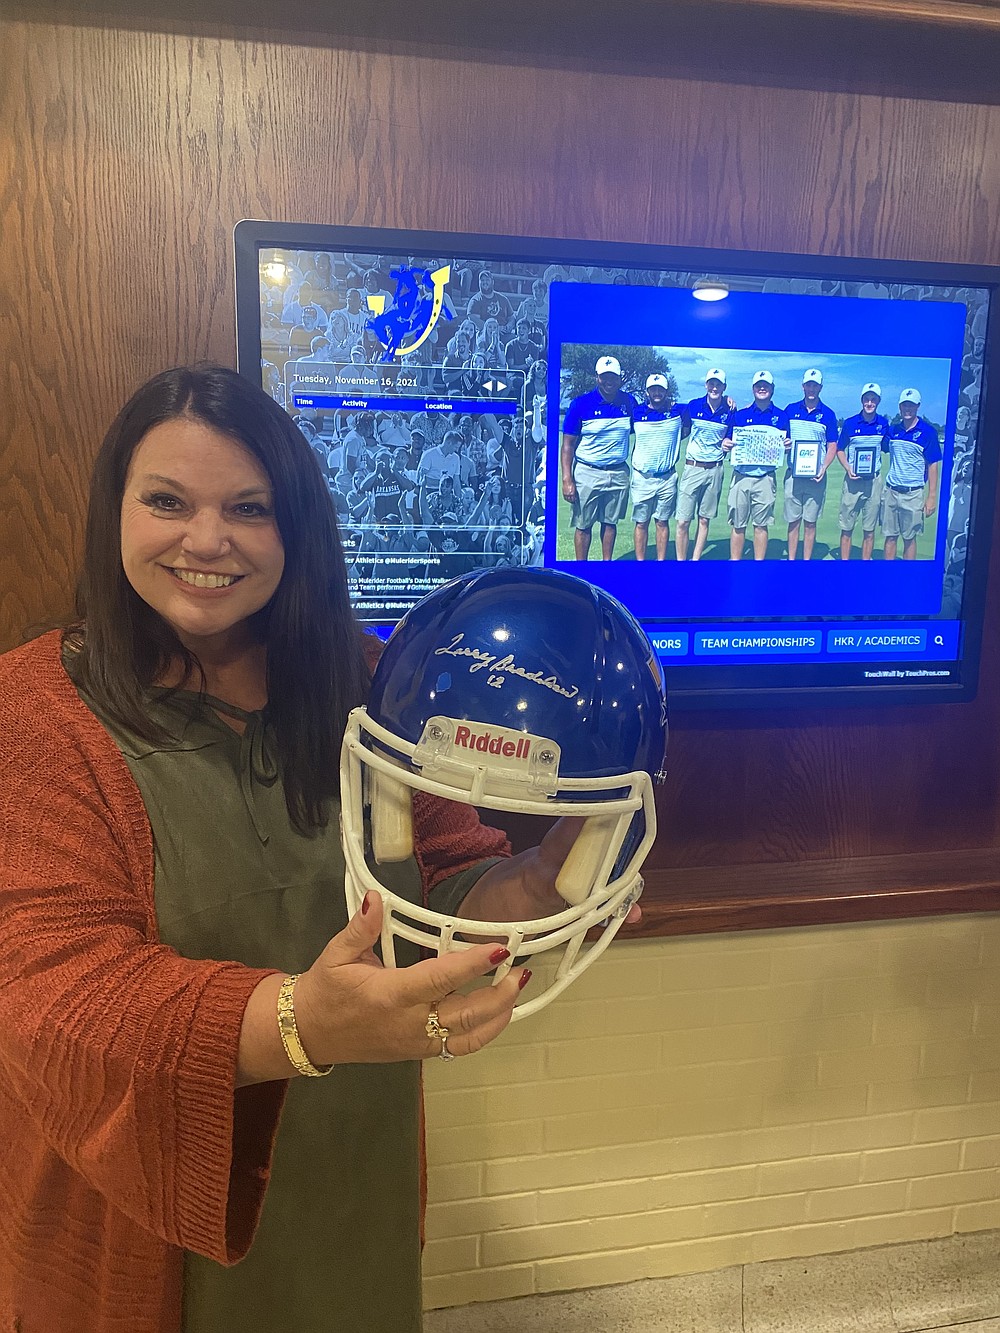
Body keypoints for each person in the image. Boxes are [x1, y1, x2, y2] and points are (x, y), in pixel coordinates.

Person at [0, 365, 612, 1332]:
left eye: (249, 507)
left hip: (350, 1200)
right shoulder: (36, 714)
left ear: (297, 529)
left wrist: (538, 882)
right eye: (167, 501)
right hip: (139, 1232)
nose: (208, 539)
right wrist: (298, 1023)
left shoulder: (372, 680)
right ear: (112, 510)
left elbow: (447, 880)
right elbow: (55, 996)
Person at [561, 355, 635, 561]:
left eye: (613, 376)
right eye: (604, 376)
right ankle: (582, 571)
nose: (608, 381)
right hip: (587, 472)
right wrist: (567, 479)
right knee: (583, 525)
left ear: (620, 378)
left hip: (618, 472)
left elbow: (657, 410)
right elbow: (567, 446)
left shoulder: (628, 402)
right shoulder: (580, 404)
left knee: (610, 523)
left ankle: (606, 566)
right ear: (597, 377)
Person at [723, 371, 790, 561]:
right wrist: (725, 444)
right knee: (738, 524)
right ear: (753, 389)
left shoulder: (781, 416)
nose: (762, 388)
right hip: (741, 477)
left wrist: (786, 446)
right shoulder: (740, 415)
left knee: (761, 525)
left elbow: (785, 446)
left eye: (766, 386)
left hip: (765, 479)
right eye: (759, 385)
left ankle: (758, 565)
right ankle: (735, 564)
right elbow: (727, 439)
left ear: (772, 389)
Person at [675, 369, 734, 561]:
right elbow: (678, 422)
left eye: (718, 384)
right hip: (692, 468)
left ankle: (695, 561)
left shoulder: (730, 411)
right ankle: (681, 564)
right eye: (711, 384)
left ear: (724, 387)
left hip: (715, 470)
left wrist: (727, 441)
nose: (714, 388)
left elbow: (731, 437)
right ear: (706, 385)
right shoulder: (693, 406)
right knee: (683, 521)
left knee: (704, 519)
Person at [783, 369, 839, 560]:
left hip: (816, 476)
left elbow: (832, 444)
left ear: (820, 387)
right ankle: (791, 561)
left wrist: (824, 467)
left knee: (810, 522)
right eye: (809, 385)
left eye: (815, 385)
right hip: (793, 475)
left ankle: (806, 562)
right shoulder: (790, 410)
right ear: (803, 386)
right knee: (793, 521)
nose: (812, 388)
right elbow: (779, 435)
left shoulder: (828, 414)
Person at [883, 387, 942, 560]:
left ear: (918, 406)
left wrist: (931, 497)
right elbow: (879, 446)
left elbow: (933, 465)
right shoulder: (892, 431)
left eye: (911, 405)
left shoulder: (928, 432)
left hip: (913, 494)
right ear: (900, 407)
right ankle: (889, 575)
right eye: (904, 405)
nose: (907, 409)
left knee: (909, 538)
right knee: (890, 537)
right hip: (891, 492)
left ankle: (907, 575)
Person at [630, 373, 684, 561]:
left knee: (662, 522)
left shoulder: (679, 411)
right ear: (647, 392)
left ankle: (660, 564)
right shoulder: (636, 412)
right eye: (653, 389)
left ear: (667, 391)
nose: (657, 392)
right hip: (642, 478)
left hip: (667, 478)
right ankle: (640, 563)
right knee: (641, 522)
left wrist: (727, 399)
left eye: (660, 389)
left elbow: (705, 404)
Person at [837, 382, 890, 561]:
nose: (869, 403)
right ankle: (844, 567)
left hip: (874, 482)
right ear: (862, 400)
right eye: (867, 399)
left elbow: (888, 448)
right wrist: (848, 468)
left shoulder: (883, 424)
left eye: (873, 399)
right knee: (847, 527)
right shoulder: (850, 423)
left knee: (869, 529)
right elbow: (839, 449)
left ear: (878, 401)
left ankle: (864, 567)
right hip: (852, 481)